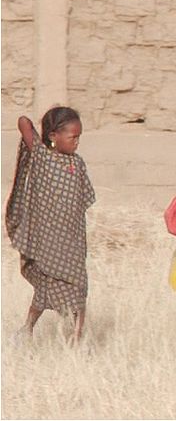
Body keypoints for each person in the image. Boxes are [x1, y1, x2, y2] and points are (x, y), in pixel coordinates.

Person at [6, 107, 96, 343]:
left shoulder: (77, 164)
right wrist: (41, 138)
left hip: (73, 241)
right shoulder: (42, 157)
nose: (77, 142)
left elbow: (83, 200)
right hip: (47, 241)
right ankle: (27, 329)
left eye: (79, 137)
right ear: (54, 136)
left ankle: (77, 340)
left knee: (79, 285)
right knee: (44, 290)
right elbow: (23, 121)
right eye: (72, 137)